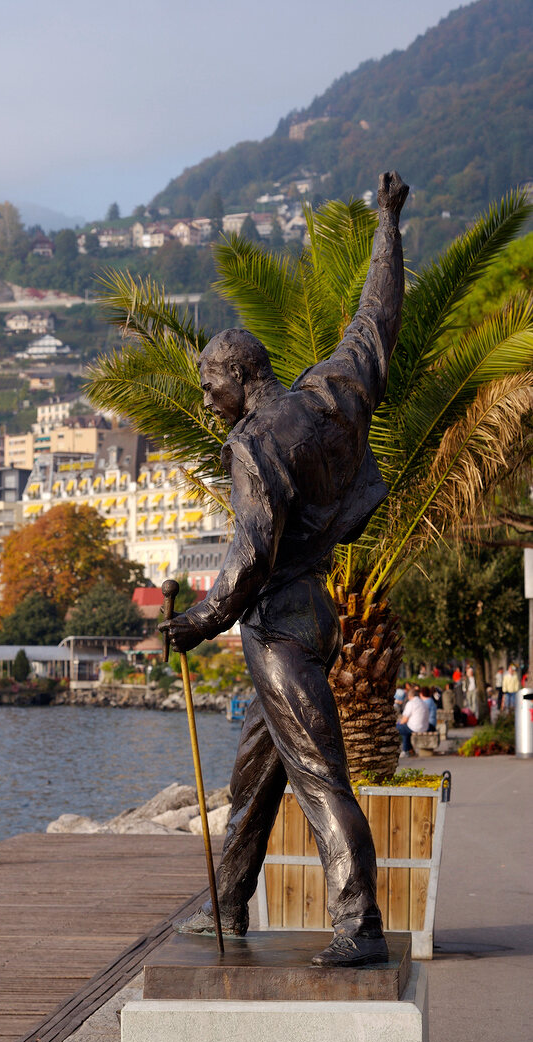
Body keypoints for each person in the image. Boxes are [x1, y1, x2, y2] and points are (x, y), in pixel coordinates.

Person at [160, 170, 409, 969]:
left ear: (240, 377)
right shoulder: (331, 394)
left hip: (281, 624)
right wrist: (387, 225)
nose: (207, 403)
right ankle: (229, 907)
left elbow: (249, 557)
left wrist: (196, 623)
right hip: (318, 615)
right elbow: (378, 320)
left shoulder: (256, 444)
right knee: (255, 772)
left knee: (317, 776)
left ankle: (357, 923)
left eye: (210, 388)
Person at [396, 686, 428, 755]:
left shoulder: (411, 703)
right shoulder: (424, 703)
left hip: (415, 727)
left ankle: (405, 750)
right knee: (405, 731)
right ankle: (408, 750)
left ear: (410, 695)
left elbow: (404, 720)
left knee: (397, 728)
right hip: (425, 727)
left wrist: (398, 723)